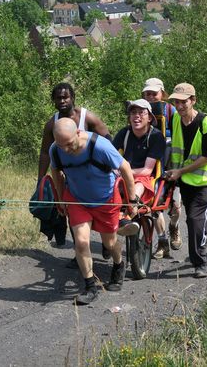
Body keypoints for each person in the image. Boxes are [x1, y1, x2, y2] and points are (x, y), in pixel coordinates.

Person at [50, 118, 137, 305]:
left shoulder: (100, 146)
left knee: (110, 242)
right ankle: (90, 286)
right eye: (61, 145)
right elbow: (55, 172)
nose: (65, 149)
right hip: (77, 199)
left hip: (106, 200)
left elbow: (125, 167)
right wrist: (60, 198)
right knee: (81, 242)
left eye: (69, 144)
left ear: (79, 133)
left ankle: (119, 264)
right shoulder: (55, 150)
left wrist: (133, 200)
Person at [38, 82, 113, 263]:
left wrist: (112, 164)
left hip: (94, 172)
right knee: (71, 211)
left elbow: (108, 139)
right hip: (71, 174)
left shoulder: (88, 118)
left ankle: (107, 243)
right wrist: (40, 179)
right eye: (58, 98)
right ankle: (79, 252)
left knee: (101, 210)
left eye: (66, 97)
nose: (62, 101)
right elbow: (44, 152)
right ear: (53, 101)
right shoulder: (52, 124)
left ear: (73, 98)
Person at [165, 83, 207, 278]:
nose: (179, 106)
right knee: (193, 220)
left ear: (193, 101)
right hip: (185, 180)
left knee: (195, 220)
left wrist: (180, 171)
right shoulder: (174, 119)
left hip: (205, 180)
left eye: (184, 102)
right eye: (176, 102)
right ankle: (201, 237)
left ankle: (200, 263)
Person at [112, 99, 167, 257]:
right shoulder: (124, 133)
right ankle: (107, 228)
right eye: (133, 113)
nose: (136, 116)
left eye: (141, 113)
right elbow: (110, 155)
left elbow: (146, 170)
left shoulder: (156, 136)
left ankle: (127, 215)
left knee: (138, 184)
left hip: (145, 178)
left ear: (149, 117)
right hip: (123, 175)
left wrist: (123, 172)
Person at [142, 77, 183, 253]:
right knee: (153, 203)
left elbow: (180, 138)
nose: (151, 96)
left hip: (171, 163)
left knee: (175, 206)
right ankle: (162, 242)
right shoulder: (139, 111)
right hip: (152, 164)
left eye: (154, 93)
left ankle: (174, 227)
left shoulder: (171, 110)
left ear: (162, 94)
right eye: (147, 93)